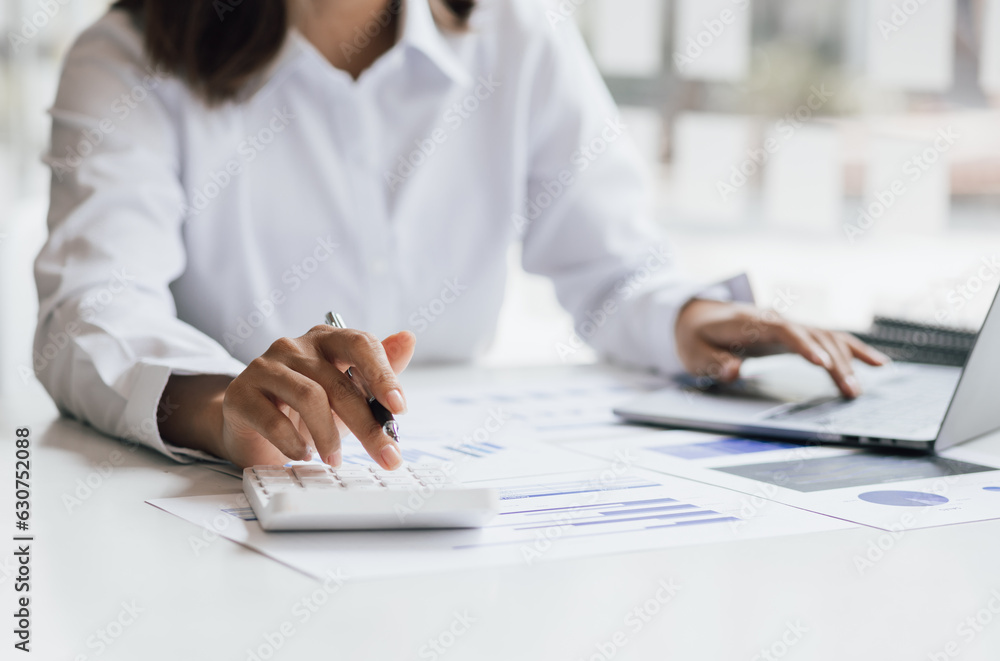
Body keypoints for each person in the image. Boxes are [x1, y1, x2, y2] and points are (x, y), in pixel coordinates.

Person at [34, 0, 887, 471]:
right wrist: (225, 404)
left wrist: (687, 317)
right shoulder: (129, 56)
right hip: (237, 502)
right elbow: (92, 310)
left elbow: (617, 268)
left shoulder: (520, 33)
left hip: (459, 485)